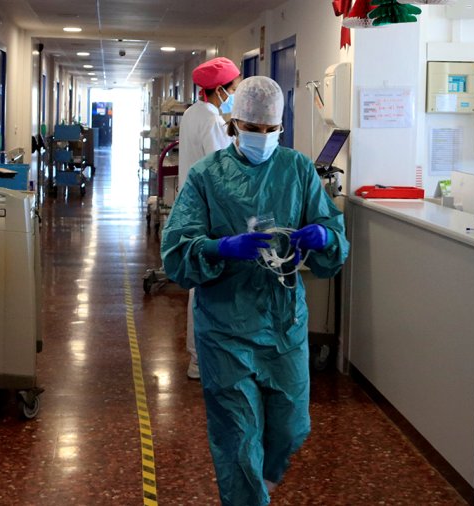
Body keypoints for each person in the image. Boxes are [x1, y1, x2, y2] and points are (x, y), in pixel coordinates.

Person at [161, 76, 349, 506]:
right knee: (239, 432)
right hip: (226, 325)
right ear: (234, 125)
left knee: (292, 425)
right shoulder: (207, 177)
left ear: (281, 128)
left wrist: (324, 235)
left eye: (270, 131)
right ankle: (246, 496)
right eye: (252, 129)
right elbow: (176, 249)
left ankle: (256, 485)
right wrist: (220, 246)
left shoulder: (298, 170)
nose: (261, 139)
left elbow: (334, 236)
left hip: (283, 322)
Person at [178, 56, 241, 379]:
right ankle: (200, 360)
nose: (235, 92)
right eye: (233, 87)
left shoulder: (193, 113)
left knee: (200, 282)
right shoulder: (213, 121)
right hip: (208, 210)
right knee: (206, 284)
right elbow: (223, 169)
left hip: (193, 207)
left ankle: (198, 357)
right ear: (219, 90)